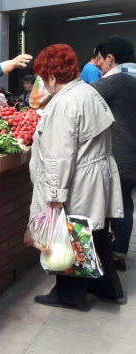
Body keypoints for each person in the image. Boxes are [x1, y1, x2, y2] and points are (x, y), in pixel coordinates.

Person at [30, 44, 125, 308]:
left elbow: (59, 156)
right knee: (95, 234)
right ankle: (108, 289)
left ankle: (69, 296)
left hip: (77, 178)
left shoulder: (64, 103)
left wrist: (55, 196)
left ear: (50, 76)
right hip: (94, 174)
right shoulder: (86, 92)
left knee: (70, 237)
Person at [90, 35, 136, 272]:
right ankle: (119, 250)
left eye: (99, 59)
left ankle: (113, 253)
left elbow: (82, 97)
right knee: (125, 202)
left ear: (110, 58)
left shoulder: (119, 80)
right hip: (132, 156)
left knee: (113, 206)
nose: (97, 64)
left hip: (121, 156)